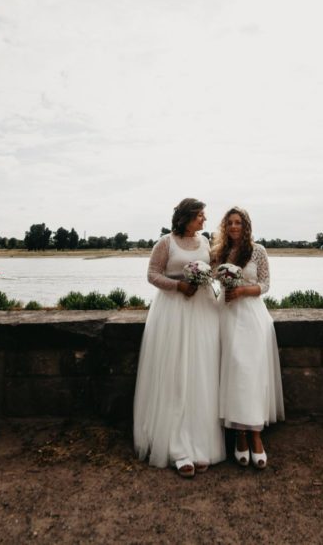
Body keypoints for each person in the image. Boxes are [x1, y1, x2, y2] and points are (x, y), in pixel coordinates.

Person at [133, 198, 226, 477]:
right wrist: (178, 286)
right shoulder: (165, 242)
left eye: (204, 216)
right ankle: (176, 446)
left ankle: (200, 444)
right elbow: (152, 275)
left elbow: (213, 268)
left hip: (202, 312)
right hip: (173, 312)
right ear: (186, 217)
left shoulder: (205, 242)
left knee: (200, 375)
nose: (204, 220)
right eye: (200, 216)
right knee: (175, 376)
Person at [212, 206, 284, 469]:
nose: (233, 227)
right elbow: (209, 279)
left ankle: (255, 434)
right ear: (225, 226)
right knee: (234, 371)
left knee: (252, 373)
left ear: (246, 226)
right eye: (229, 222)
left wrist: (242, 291)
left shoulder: (258, 251)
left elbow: (265, 285)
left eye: (238, 222)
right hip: (227, 316)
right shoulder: (218, 252)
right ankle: (239, 435)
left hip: (252, 317)